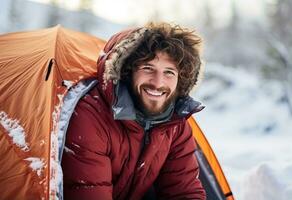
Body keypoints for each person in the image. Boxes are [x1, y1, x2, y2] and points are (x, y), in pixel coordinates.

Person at [61, 22, 206, 199]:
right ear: (127, 72)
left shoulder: (176, 125)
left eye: (169, 72)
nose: (158, 83)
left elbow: (185, 191)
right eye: (147, 68)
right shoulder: (91, 117)